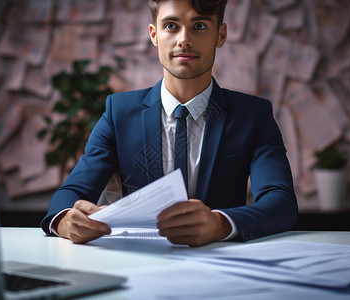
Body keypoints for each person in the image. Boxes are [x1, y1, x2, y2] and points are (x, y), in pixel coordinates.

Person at [41, 0, 298, 247]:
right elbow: (72, 191)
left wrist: (220, 224)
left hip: (222, 263)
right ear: (154, 34)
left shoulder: (253, 115)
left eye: (199, 26)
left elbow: (281, 202)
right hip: (141, 266)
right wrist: (65, 220)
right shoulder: (119, 112)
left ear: (221, 35)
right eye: (171, 26)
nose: (184, 39)